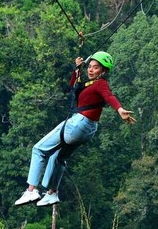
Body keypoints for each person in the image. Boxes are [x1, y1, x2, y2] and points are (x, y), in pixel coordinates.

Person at [14, 51, 136, 207]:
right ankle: (52, 193)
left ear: (103, 71)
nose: (91, 70)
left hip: (78, 123)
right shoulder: (89, 84)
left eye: (96, 68)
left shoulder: (101, 84)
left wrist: (120, 109)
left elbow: (109, 96)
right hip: (88, 129)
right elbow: (72, 88)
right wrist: (77, 70)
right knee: (58, 158)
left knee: (38, 149)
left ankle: (31, 190)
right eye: (90, 67)